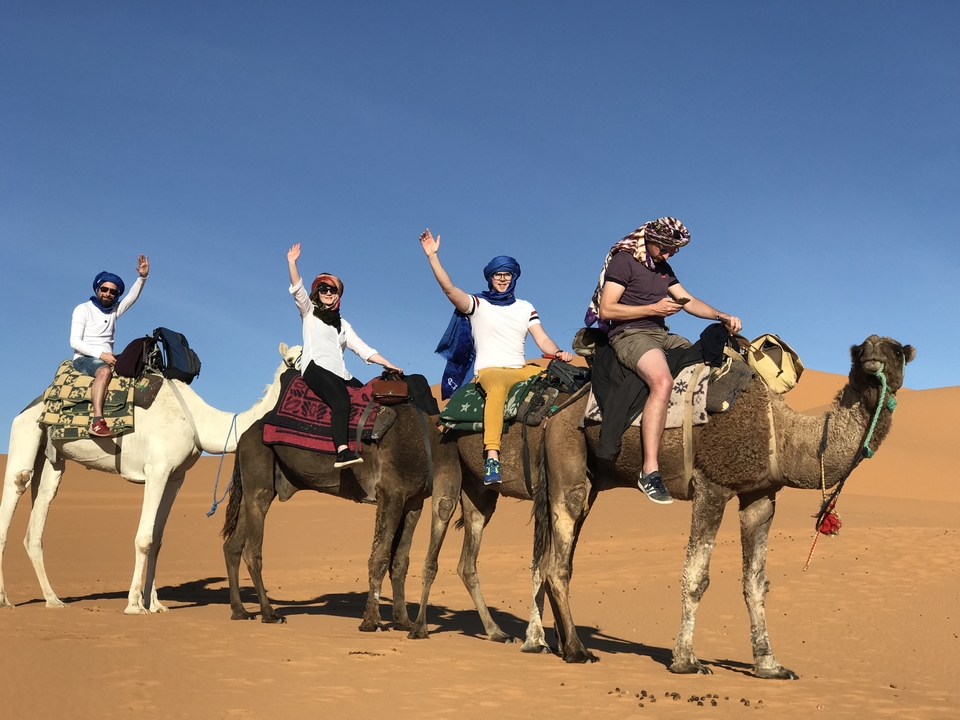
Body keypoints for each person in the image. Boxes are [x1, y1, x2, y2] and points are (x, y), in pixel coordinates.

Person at [586, 217, 741, 504]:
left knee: (711, 358)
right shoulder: (624, 261)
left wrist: (722, 316)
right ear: (650, 240)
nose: (668, 256)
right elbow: (607, 309)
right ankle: (650, 470)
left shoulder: (663, 269)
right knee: (662, 381)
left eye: (674, 251)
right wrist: (653, 307)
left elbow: (689, 301)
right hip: (630, 335)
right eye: (665, 249)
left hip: (661, 335)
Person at [420, 229, 573, 485]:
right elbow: (449, 290)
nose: (502, 279)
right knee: (498, 389)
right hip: (490, 371)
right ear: (490, 278)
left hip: (521, 368)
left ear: (513, 277)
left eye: (507, 274)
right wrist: (433, 257)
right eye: (497, 275)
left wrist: (556, 352)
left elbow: (542, 339)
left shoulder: (525, 307)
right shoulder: (478, 305)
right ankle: (492, 454)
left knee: (555, 379)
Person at [287, 243, 402, 468]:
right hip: (316, 368)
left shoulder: (342, 324)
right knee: (341, 400)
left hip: (340, 373)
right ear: (316, 293)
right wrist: (292, 263)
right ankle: (342, 451)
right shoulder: (309, 312)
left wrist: (388, 363)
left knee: (368, 396)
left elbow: (363, 349)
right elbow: (297, 289)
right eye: (323, 289)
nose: (328, 293)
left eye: (333, 290)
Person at [70, 255, 150, 437]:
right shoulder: (83, 309)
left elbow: (131, 298)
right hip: (85, 358)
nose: (107, 293)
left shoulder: (113, 311)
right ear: (98, 288)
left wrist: (142, 278)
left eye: (112, 292)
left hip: (107, 357)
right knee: (104, 371)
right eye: (104, 289)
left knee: (138, 365)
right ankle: (97, 421)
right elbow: (74, 341)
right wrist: (101, 355)